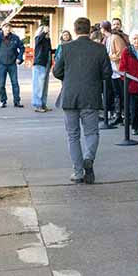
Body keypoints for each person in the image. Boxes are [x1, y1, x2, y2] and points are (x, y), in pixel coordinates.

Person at [53, 17, 112, 184]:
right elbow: (107, 74)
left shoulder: (65, 48)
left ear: (75, 29)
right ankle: (89, 157)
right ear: (90, 29)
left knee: (73, 135)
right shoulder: (99, 49)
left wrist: (70, 77)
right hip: (91, 96)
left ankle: (78, 172)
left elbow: (56, 71)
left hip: (70, 96)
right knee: (92, 132)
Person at [0, 22, 25, 108]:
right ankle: (3, 101)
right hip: (1, 63)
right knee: (1, 84)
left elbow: (22, 48)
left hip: (12, 63)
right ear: (2, 28)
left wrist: (19, 57)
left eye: (9, 27)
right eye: (5, 27)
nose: (7, 29)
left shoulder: (15, 38)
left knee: (15, 83)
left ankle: (17, 101)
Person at [119, 30, 138, 136]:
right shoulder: (126, 51)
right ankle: (134, 127)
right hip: (131, 85)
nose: (137, 40)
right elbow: (122, 68)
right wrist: (127, 79)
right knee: (133, 109)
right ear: (131, 40)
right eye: (134, 38)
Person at [102, 20, 127, 125]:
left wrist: (109, 57)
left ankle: (123, 115)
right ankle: (118, 114)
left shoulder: (115, 38)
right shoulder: (107, 39)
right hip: (112, 71)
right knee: (116, 94)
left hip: (118, 70)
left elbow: (121, 54)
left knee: (121, 94)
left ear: (103, 29)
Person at [32, 25, 53, 112]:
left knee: (44, 85)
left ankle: (43, 104)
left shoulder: (47, 39)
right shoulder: (38, 38)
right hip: (40, 63)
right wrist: (44, 32)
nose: (48, 32)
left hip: (47, 62)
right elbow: (38, 41)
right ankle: (37, 104)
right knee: (39, 85)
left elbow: (49, 50)